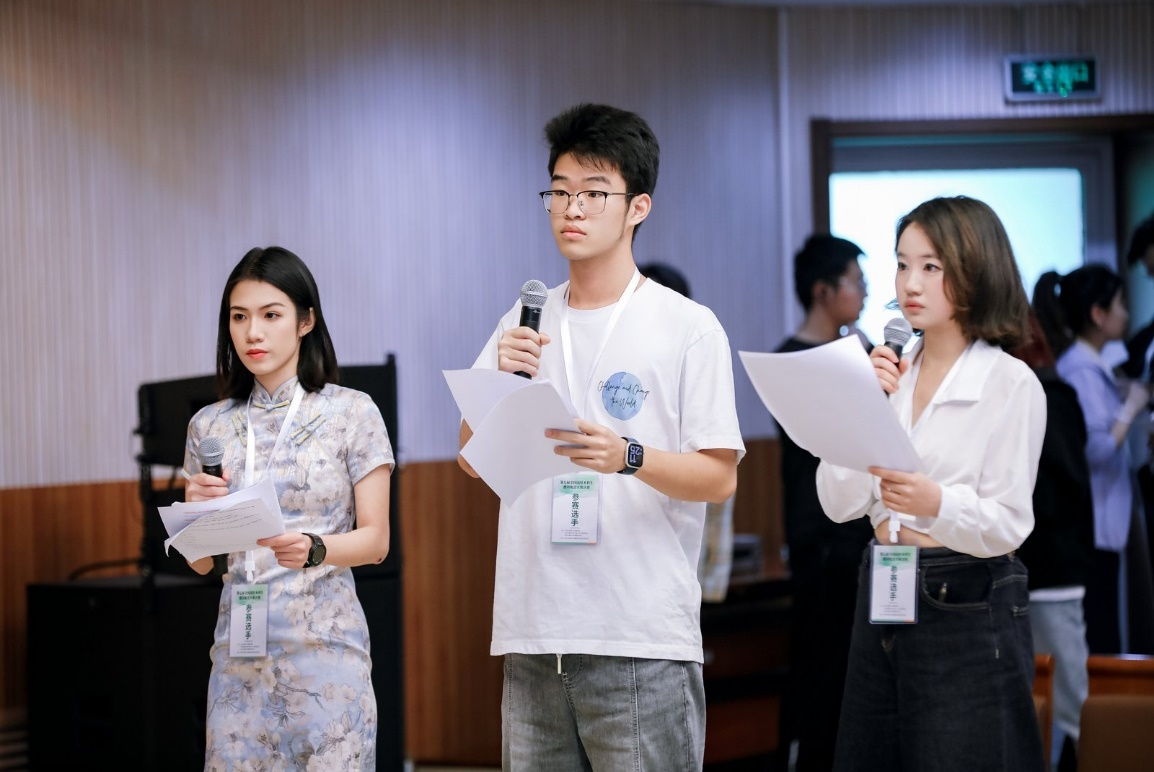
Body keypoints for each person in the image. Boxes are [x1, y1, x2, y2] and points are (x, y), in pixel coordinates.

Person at [458, 103, 745, 771]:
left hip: (639, 639)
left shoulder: (687, 326)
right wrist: (499, 378)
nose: (571, 209)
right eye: (559, 192)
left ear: (638, 207)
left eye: (593, 193)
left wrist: (629, 457)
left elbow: (719, 477)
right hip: (534, 635)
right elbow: (472, 458)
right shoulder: (523, 319)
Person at [816, 196, 1047, 770]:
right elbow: (837, 502)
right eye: (902, 264)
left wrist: (936, 502)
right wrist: (862, 404)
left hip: (965, 595)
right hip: (882, 582)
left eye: (931, 266)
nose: (910, 283)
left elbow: (1010, 523)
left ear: (974, 271)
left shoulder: (1010, 382)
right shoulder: (885, 371)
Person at [184, 246, 393, 770]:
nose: (252, 332)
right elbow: (202, 564)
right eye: (239, 317)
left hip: (326, 657)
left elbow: (376, 542)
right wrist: (194, 516)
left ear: (306, 321)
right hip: (237, 661)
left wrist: (315, 548)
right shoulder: (209, 425)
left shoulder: (352, 412)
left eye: (270, 315)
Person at [774, 235, 874, 772]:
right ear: (822, 291)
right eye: (855, 281)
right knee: (820, 669)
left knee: (855, 673)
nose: (865, 291)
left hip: (859, 534)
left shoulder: (857, 353)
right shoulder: (790, 360)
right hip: (819, 540)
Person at [1035, 265, 1148, 654]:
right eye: (1120, 305)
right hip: (1094, 525)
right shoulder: (1081, 370)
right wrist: (1131, 407)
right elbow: (1096, 450)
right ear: (1098, 314)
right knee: (1100, 636)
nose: (1126, 315)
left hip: (1102, 523)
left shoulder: (1089, 365)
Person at [1011, 314, 1095, 770]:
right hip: (1023, 571)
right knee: (1035, 703)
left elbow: (1063, 491)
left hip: (1051, 570)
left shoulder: (1049, 395)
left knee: (1068, 704)